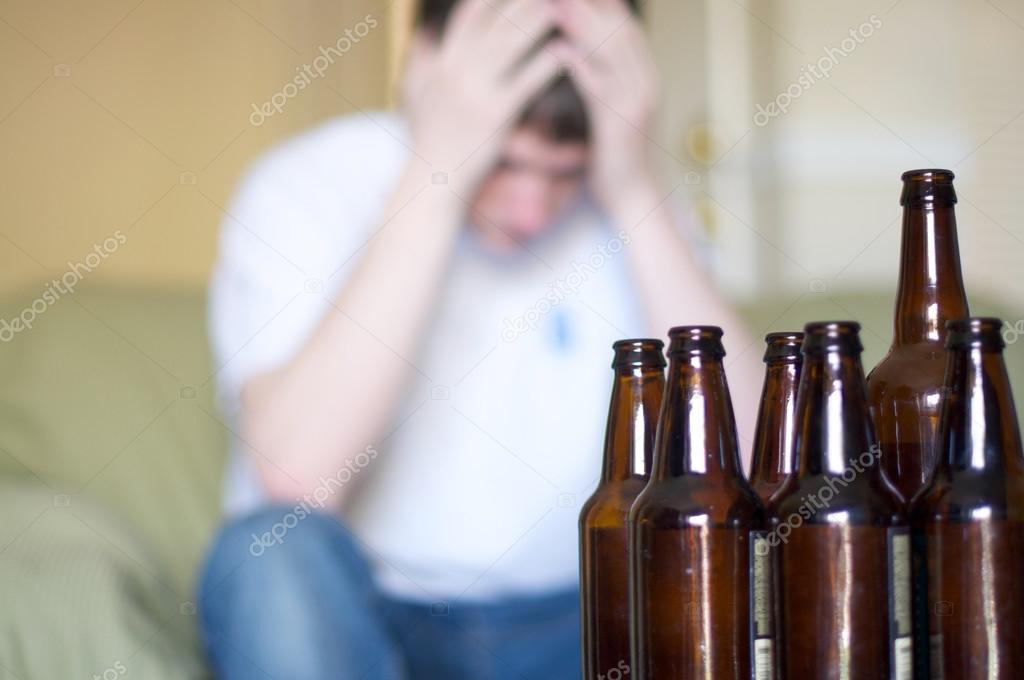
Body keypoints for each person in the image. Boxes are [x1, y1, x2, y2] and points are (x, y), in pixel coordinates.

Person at [198, 0, 761, 678]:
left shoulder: (631, 202)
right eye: (505, 161)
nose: (529, 212)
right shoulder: (307, 185)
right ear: (423, 69)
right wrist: (438, 171)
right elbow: (297, 477)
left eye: (563, 173)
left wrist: (632, 186)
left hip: (585, 625)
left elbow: (763, 473)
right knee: (266, 552)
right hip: (373, 619)